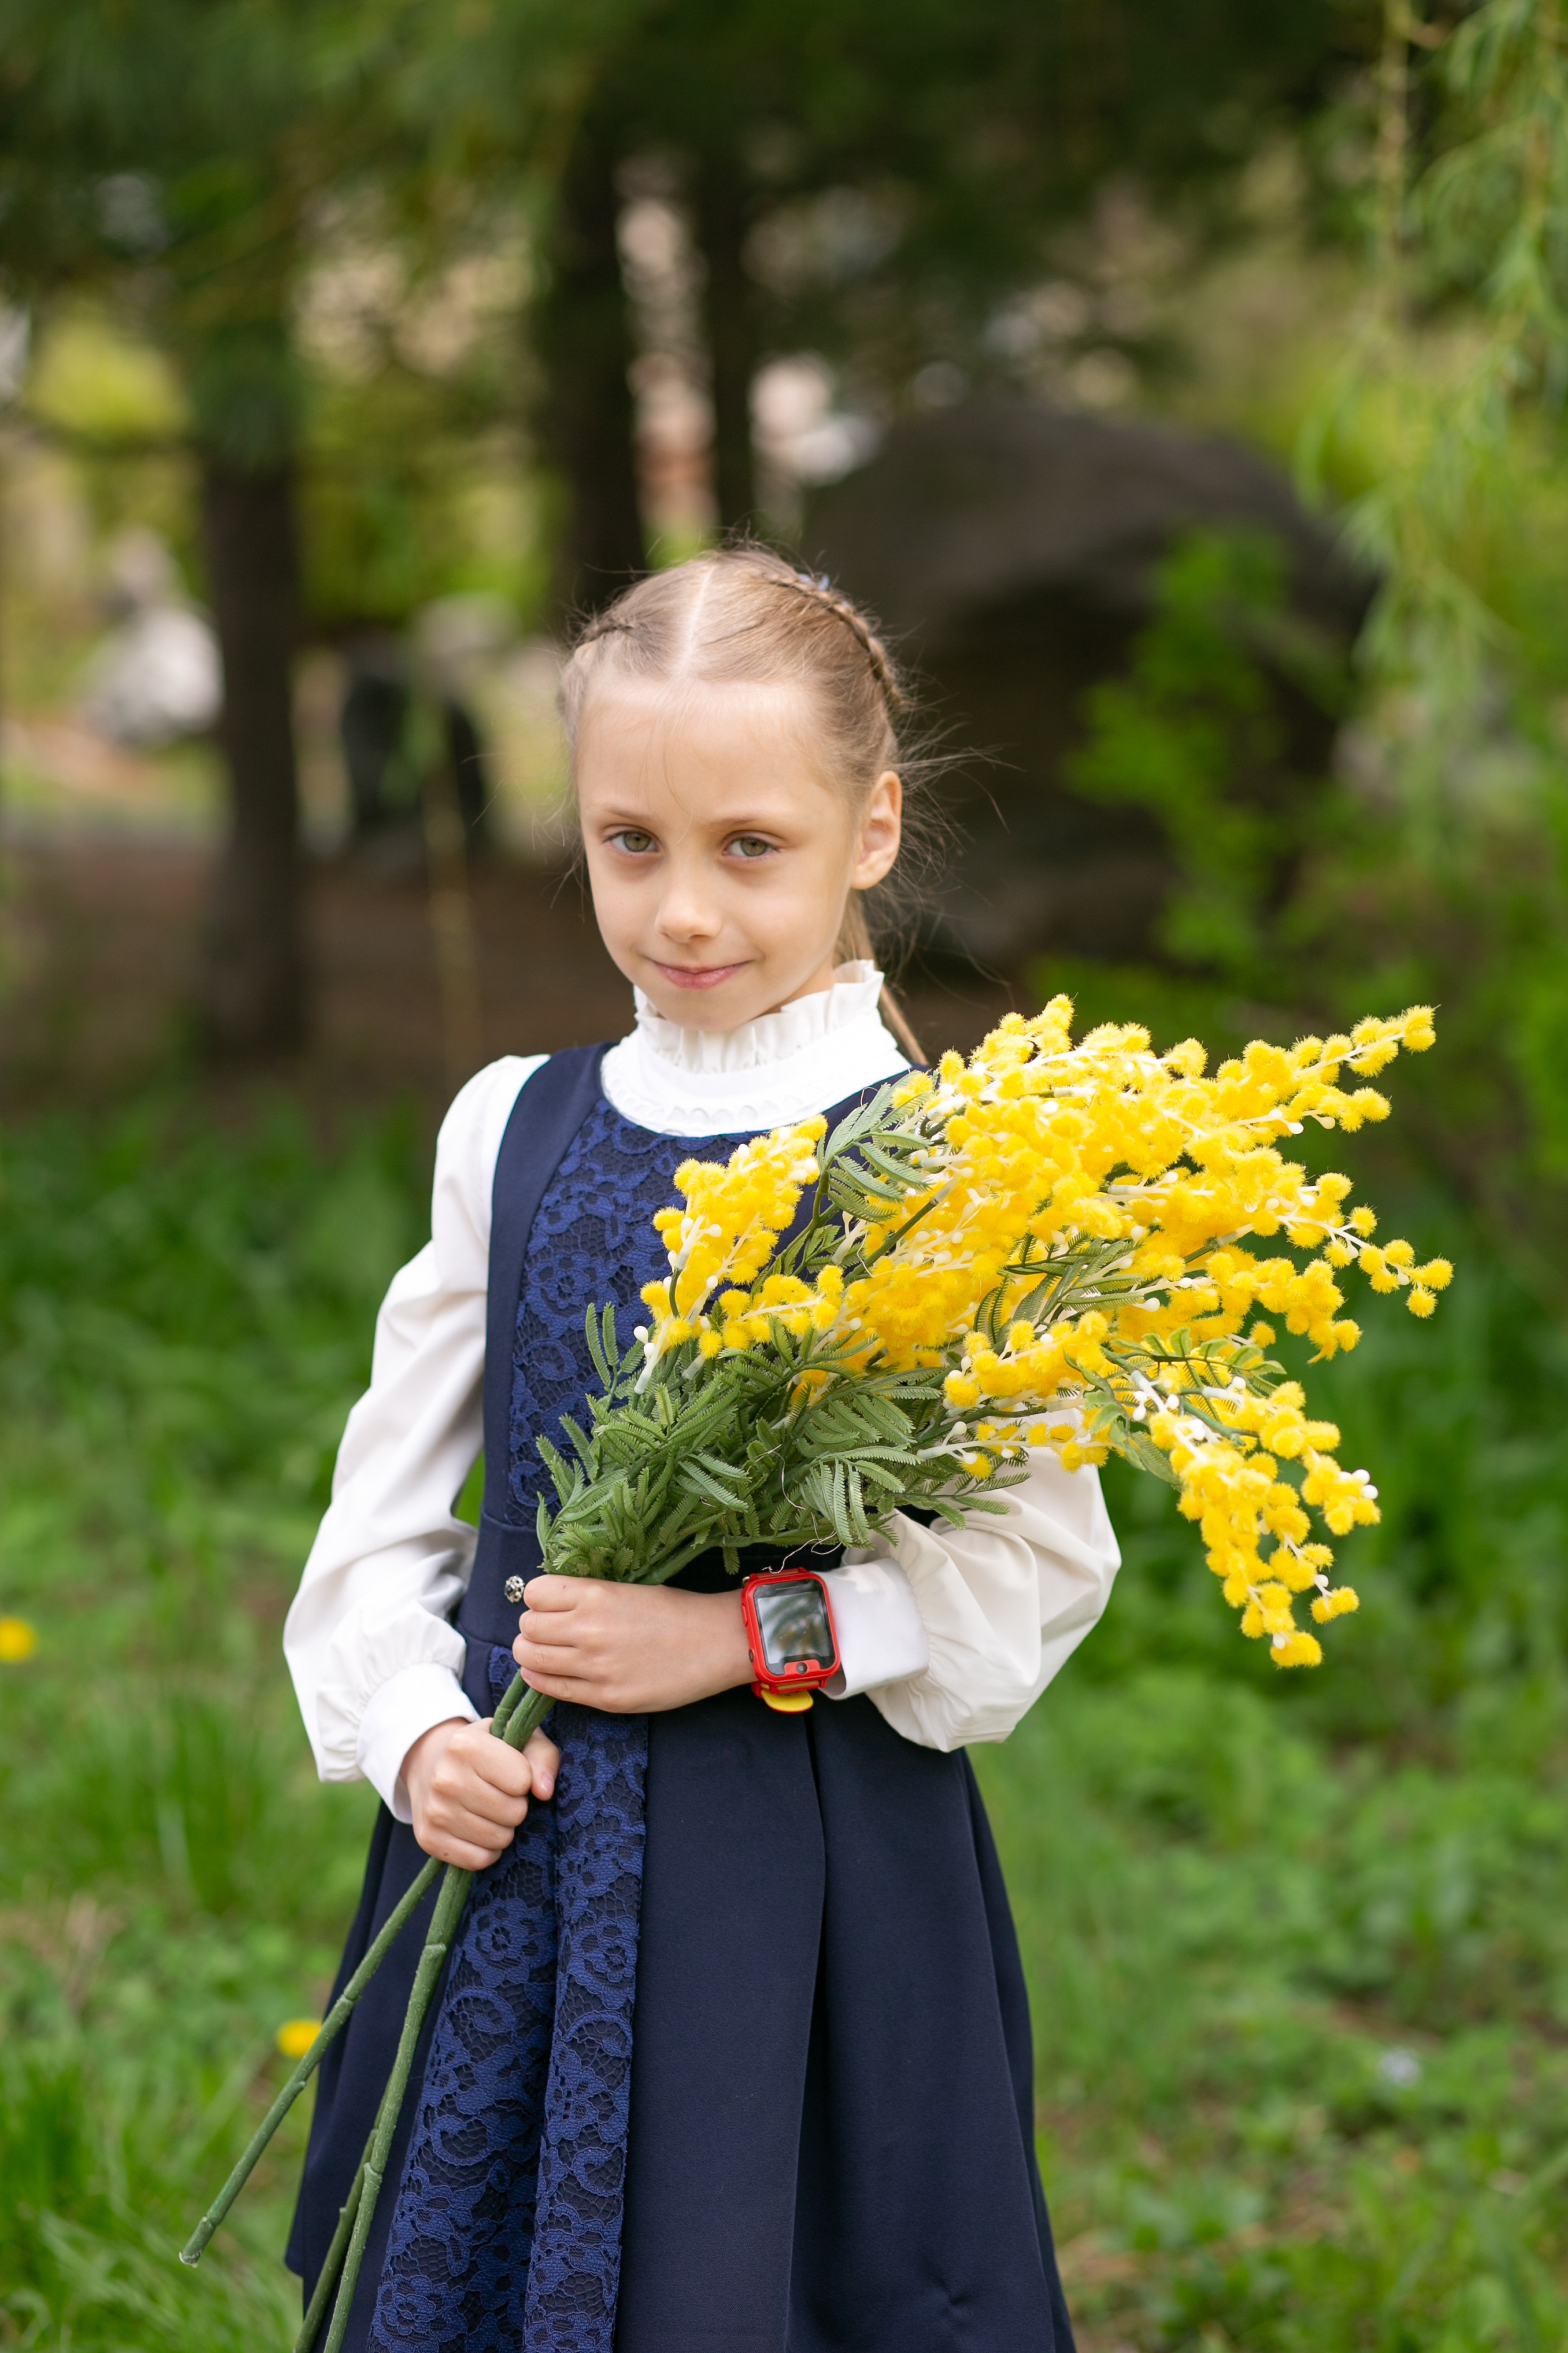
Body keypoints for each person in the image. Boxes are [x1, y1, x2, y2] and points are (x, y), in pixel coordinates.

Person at [282, 546, 1121, 2353]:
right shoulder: (514, 1127)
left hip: (803, 1897)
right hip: (513, 1864)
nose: (682, 909)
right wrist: (418, 1727)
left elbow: (1030, 1570)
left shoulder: (955, 1172)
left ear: (871, 832)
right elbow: (376, 1533)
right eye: (627, 844)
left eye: (751, 846)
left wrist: (742, 1641)